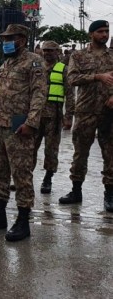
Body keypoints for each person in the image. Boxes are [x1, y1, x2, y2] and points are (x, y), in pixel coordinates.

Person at [0, 24, 47, 242]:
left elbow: (39, 94)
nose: (6, 42)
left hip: (19, 126)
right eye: (5, 38)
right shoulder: (6, 64)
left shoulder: (34, 62)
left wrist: (31, 122)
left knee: (21, 173)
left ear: (23, 40)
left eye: (11, 38)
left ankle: (23, 220)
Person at [58, 20, 113, 212]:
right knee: (80, 153)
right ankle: (76, 190)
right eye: (100, 31)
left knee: (110, 154)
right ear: (91, 34)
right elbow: (71, 79)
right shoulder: (79, 56)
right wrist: (97, 76)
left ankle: (110, 194)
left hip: (109, 113)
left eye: (106, 31)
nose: (104, 35)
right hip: (85, 111)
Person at [34, 41, 75, 194]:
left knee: (51, 150)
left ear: (57, 51)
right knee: (29, 148)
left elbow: (70, 94)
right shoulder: (36, 67)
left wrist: (69, 116)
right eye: (45, 50)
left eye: (51, 50)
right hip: (35, 116)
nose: (47, 53)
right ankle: (24, 176)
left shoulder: (63, 69)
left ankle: (48, 178)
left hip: (54, 116)